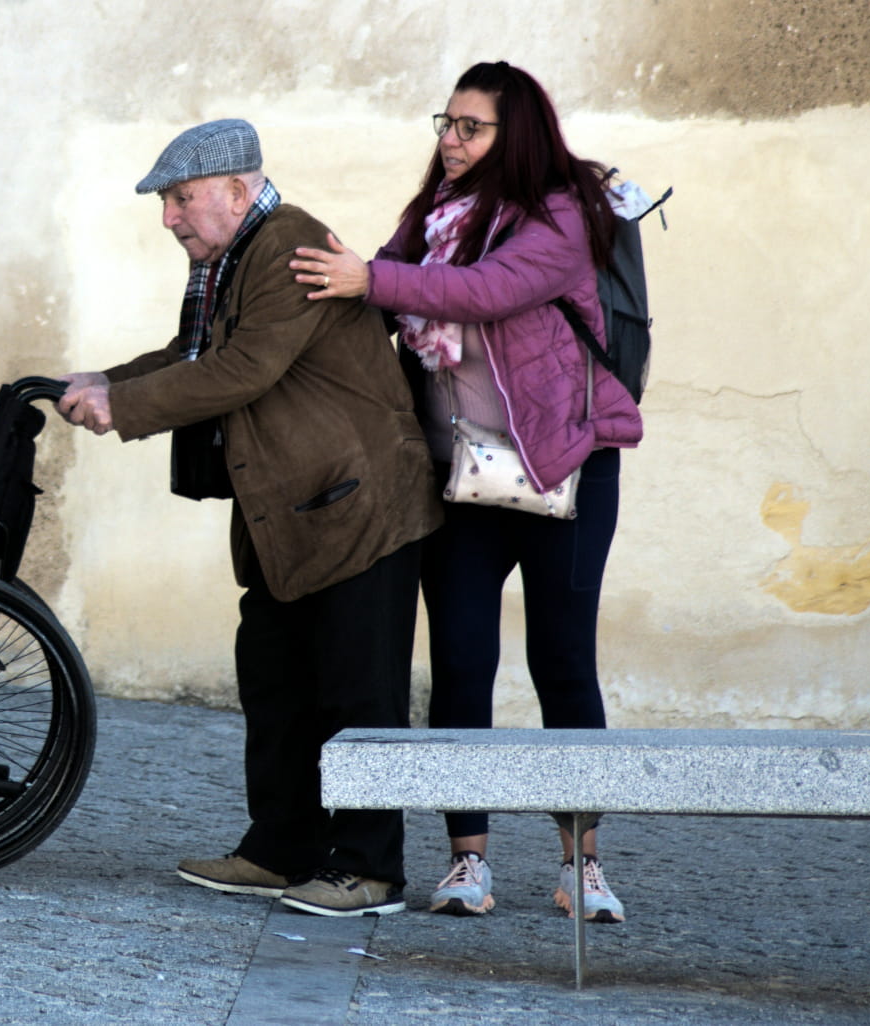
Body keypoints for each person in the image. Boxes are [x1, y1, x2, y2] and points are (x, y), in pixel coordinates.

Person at [56, 119, 441, 917]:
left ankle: (370, 870)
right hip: (289, 515)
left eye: (181, 198)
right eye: (166, 201)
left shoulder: (289, 245)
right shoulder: (233, 259)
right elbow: (193, 352)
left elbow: (243, 368)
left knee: (357, 694)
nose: (169, 217)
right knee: (276, 685)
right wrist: (104, 377)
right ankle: (280, 849)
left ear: (237, 190)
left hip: (359, 507)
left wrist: (120, 405)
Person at [290, 61, 643, 923]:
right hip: (463, 474)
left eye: (470, 127)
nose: (450, 140)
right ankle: (467, 862)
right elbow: (383, 286)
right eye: (444, 123)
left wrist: (371, 280)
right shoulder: (435, 217)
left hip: (565, 464)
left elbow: (488, 293)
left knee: (563, 663)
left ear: (513, 134)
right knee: (460, 663)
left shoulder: (563, 214)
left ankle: (581, 863)